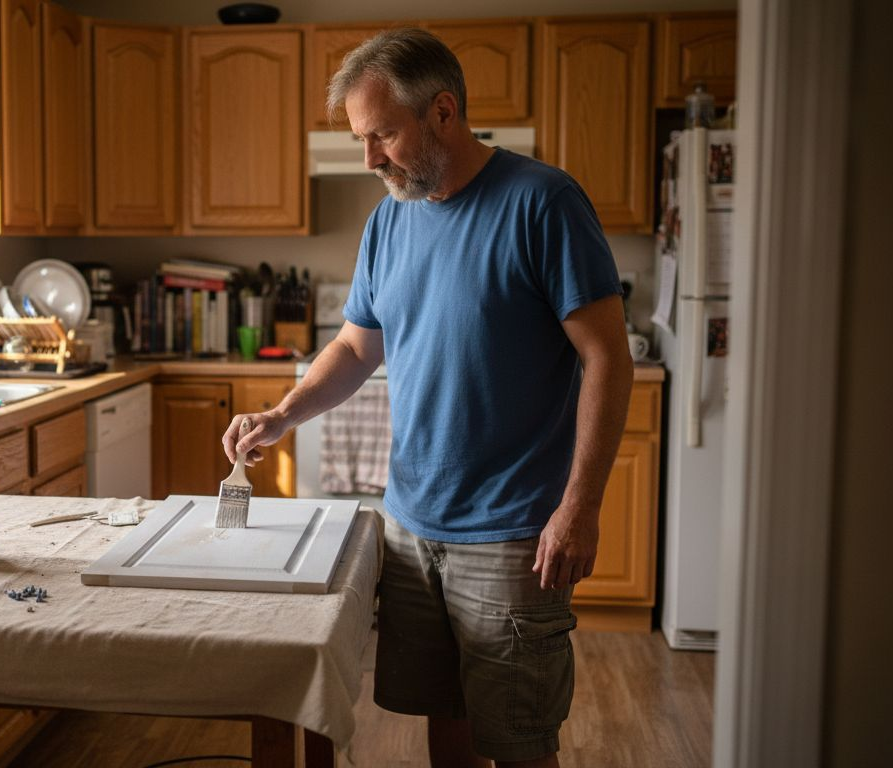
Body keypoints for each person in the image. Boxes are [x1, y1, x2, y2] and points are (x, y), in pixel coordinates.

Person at [221, 28, 633, 768]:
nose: (371, 158)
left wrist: (581, 507)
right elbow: (354, 347)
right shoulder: (389, 219)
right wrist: (284, 412)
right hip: (410, 527)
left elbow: (607, 356)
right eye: (361, 139)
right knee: (446, 724)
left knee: (519, 741)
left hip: (513, 535)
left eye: (382, 134)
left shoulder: (543, 203)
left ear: (443, 112)